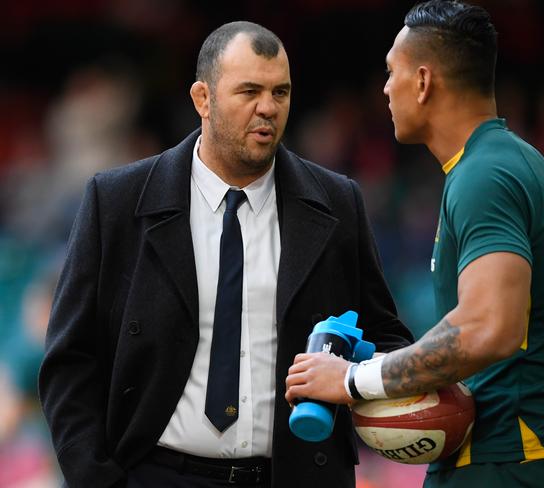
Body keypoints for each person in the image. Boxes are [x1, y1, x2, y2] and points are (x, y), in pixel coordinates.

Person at [38, 21, 413, 488]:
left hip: (292, 475)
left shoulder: (338, 203)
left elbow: (387, 336)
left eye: (281, 92)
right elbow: (70, 361)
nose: (268, 109)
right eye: (249, 91)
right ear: (203, 98)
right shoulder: (116, 201)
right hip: (155, 475)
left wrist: (352, 372)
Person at [285, 1, 544, 486]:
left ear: (424, 81)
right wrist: (374, 365)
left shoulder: (485, 175)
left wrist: (353, 380)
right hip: (522, 459)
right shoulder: (510, 164)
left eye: (392, 72)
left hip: (511, 462)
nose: (385, 89)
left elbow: (487, 329)